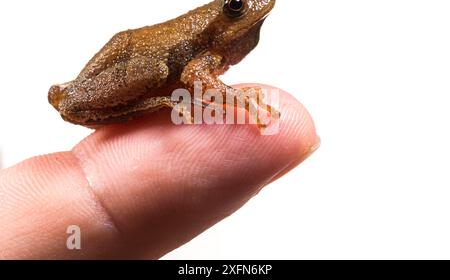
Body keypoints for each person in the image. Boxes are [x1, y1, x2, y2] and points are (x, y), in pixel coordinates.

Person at [0, 86, 319, 259]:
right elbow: (200, 80)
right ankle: (80, 96)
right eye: (235, 7)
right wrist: (240, 103)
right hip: (134, 66)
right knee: (157, 72)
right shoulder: (205, 50)